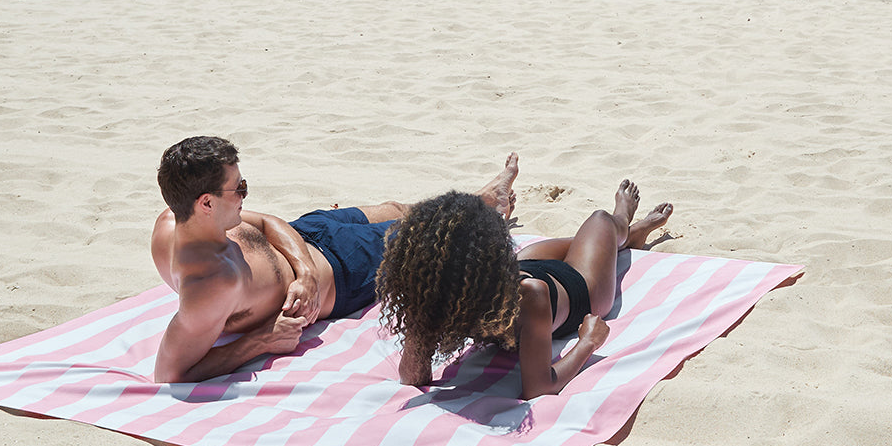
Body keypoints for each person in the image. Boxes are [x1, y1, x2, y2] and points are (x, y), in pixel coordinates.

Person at [151, 136, 519, 383]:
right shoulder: (210, 285)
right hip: (343, 271)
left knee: (394, 208)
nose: (246, 194)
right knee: (428, 235)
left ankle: (484, 199)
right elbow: (170, 373)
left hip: (307, 237)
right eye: (239, 188)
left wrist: (305, 272)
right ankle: (486, 209)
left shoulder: (176, 220)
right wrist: (261, 341)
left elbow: (266, 222)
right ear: (206, 203)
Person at [376, 180, 673, 399]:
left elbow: (413, 375)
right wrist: (588, 343)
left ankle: (624, 229)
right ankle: (621, 223)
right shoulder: (526, 295)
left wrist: (419, 313)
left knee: (595, 234)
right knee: (598, 222)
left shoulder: (447, 293)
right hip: (581, 288)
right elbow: (540, 388)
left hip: (546, 276)